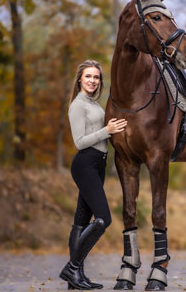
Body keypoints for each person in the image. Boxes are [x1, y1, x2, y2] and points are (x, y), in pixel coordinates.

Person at [59, 60, 127, 290]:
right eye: (88, 76)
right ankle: (72, 267)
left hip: (98, 164)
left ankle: (76, 278)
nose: (92, 80)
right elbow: (79, 143)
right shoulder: (78, 105)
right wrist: (107, 131)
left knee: (81, 220)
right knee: (103, 219)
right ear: (79, 79)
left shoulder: (93, 104)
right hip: (85, 163)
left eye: (96, 77)